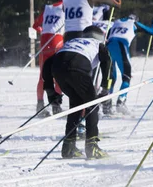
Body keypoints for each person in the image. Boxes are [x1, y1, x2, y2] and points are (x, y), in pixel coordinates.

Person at [42, 25, 111, 159]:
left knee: (76, 104)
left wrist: (50, 91)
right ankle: (92, 147)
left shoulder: (72, 42)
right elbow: (107, 60)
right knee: (92, 104)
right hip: (78, 66)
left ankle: (68, 147)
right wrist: (105, 86)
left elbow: (48, 62)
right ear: (101, 37)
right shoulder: (98, 44)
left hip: (58, 66)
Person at [104, 14, 153, 114]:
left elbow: (108, 35)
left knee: (111, 77)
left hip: (108, 46)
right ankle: (121, 101)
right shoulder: (134, 23)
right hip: (121, 45)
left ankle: (107, 104)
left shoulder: (116, 22)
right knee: (126, 76)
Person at [33, 0, 65, 116]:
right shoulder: (68, 4)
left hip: (44, 41)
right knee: (58, 75)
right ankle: (56, 106)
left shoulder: (48, 7)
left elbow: (35, 25)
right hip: (56, 40)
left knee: (43, 76)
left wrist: (42, 30)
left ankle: (40, 105)